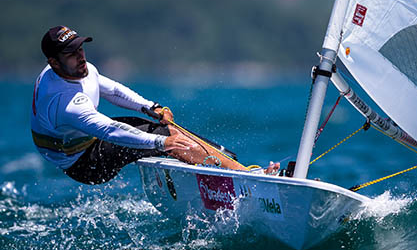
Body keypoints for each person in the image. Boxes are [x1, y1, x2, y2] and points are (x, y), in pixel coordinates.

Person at [31, 26, 279, 185]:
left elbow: (112, 90)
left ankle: (230, 163)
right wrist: (162, 142)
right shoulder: (67, 103)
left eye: (81, 48)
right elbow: (109, 130)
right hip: (84, 164)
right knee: (163, 136)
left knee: (164, 129)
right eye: (71, 53)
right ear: (53, 62)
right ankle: (246, 177)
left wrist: (150, 106)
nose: (80, 56)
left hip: (85, 142)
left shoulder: (75, 69)